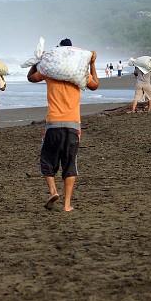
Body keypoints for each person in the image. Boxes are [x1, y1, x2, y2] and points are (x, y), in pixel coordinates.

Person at [27, 38, 99, 212]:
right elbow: (95, 85)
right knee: (70, 164)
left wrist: (37, 61)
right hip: (72, 124)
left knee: (47, 161)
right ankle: (67, 205)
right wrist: (92, 64)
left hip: (53, 123)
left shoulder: (50, 70)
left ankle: (52, 191)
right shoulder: (79, 72)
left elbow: (30, 78)